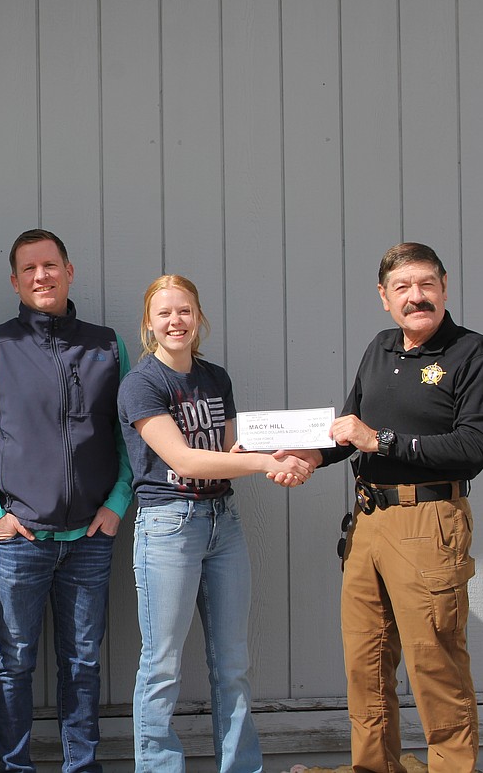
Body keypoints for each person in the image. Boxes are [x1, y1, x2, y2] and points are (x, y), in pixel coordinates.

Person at [289, 243, 483, 773]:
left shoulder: (473, 353)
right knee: (366, 666)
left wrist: (382, 440)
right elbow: (349, 430)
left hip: (429, 524)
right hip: (368, 524)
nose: (417, 297)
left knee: (436, 664)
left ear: (445, 287)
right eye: (403, 288)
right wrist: (308, 456)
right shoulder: (381, 348)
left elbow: (475, 447)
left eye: (426, 284)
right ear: (384, 297)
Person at [0, 228, 133, 773]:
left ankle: (82, 767)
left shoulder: (107, 345)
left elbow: (129, 433)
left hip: (89, 539)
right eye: (29, 269)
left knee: (82, 663)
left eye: (50, 265)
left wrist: (117, 503)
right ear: (15, 281)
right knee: (14, 663)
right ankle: (16, 766)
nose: (41, 277)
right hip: (19, 539)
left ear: (69, 270)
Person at [116, 274, 312, 773]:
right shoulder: (141, 384)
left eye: (184, 311)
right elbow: (185, 460)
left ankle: (241, 767)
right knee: (161, 665)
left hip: (222, 524)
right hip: (168, 528)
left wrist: (280, 453)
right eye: (164, 314)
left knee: (233, 665)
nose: (175, 321)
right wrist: (264, 464)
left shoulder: (215, 377)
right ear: (149, 324)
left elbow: (227, 452)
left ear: (199, 317)